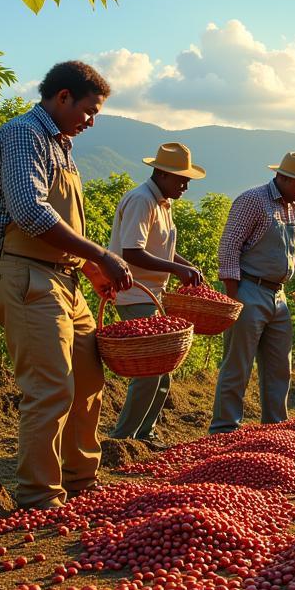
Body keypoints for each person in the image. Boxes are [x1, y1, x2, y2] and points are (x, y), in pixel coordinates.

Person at [0, 61, 133, 510]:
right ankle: (39, 496)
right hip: (28, 277)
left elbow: (57, 226)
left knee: (87, 382)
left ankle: (81, 481)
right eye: (89, 110)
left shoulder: (60, 145)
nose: (92, 121)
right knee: (50, 389)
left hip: (62, 278)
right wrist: (101, 254)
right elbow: (30, 214)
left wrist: (86, 269)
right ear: (62, 97)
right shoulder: (23, 135)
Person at [209, 152, 295, 434]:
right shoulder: (252, 201)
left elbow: (289, 251)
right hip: (249, 290)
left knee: (279, 367)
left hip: (279, 297)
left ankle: (274, 428)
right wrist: (233, 297)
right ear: (284, 178)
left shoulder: (293, 210)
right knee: (238, 366)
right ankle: (224, 429)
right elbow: (229, 247)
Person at [108, 142, 206, 451]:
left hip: (154, 294)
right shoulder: (141, 200)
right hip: (134, 293)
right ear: (161, 174)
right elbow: (131, 251)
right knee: (149, 370)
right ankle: (123, 439)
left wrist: (184, 265)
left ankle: (144, 434)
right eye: (181, 179)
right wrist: (176, 271)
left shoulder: (163, 202)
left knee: (163, 370)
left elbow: (160, 247)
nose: (185, 186)